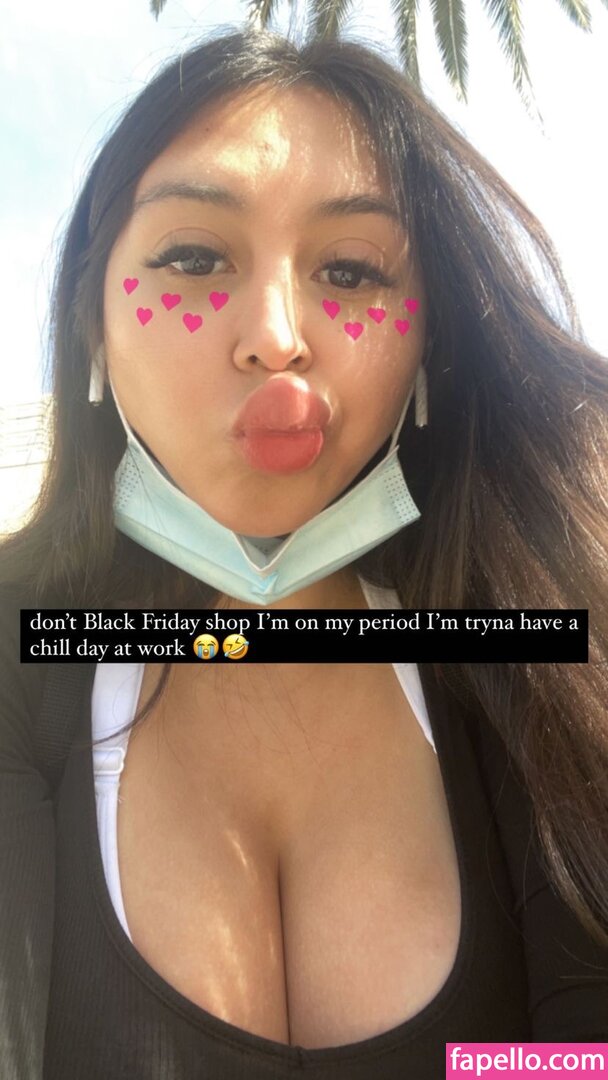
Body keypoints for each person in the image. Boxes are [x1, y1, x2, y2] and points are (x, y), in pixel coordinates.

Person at [1, 26, 607, 1080]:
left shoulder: (534, 678)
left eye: (350, 269)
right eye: (194, 257)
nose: (278, 335)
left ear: (427, 350)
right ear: (93, 327)